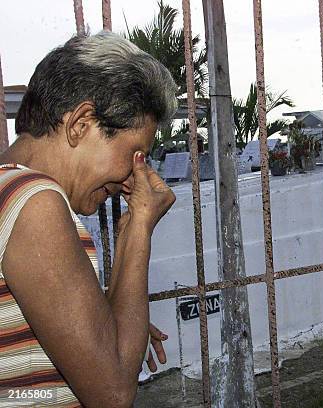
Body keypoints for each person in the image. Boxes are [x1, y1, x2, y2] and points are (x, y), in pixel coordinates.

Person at [0, 32, 177, 407]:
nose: (133, 179)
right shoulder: (34, 202)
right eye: (135, 155)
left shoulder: (7, 190)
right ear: (81, 123)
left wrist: (110, 321)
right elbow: (112, 393)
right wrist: (138, 226)